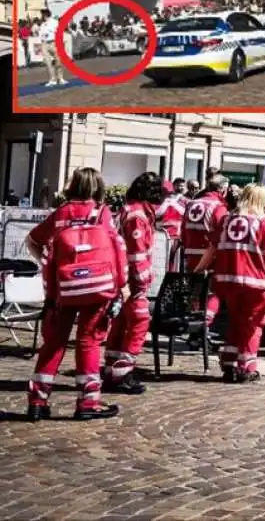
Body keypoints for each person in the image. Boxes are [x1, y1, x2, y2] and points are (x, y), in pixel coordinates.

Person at [24, 167, 127, 421]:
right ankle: (87, 402)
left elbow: (32, 240)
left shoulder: (61, 213)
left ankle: (38, 400)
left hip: (64, 288)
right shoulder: (103, 214)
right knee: (88, 341)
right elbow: (116, 249)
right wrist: (120, 285)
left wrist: (52, 267)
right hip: (97, 286)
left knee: (54, 342)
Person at [193, 183, 265, 383]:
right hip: (256, 283)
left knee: (235, 321)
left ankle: (229, 362)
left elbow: (211, 250)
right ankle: (247, 366)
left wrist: (198, 270)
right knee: (253, 325)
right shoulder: (264, 224)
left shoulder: (226, 220)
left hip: (228, 280)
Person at [103, 172, 164, 395]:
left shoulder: (129, 210)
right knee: (139, 321)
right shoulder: (138, 215)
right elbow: (136, 253)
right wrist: (140, 282)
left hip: (121, 278)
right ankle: (124, 371)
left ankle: (112, 367)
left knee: (120, 323)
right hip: (131, 279)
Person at [181, 174, 230, 330]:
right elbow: (220, 235)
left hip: (191, 255)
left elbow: (183, 229)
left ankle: (193, 325)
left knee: (195, 292)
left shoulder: (191, 204)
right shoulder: (218, 207)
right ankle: (203, 328)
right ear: (222, 189)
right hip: (209, 258)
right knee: (213, 292)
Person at [38, 9, 68, 87]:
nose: (41, 16)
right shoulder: (42, 24)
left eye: (42, 14)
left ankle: (60, 78)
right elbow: (40, 34)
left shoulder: (54, 22)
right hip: (45, 44)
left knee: (58, 61)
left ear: (45, 14)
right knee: (48, 63)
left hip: (54, 43)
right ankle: (52, 79)